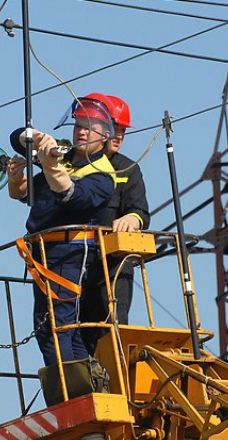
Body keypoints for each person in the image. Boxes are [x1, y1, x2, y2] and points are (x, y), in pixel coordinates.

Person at [6, 93, 118, 366]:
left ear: (105, 137)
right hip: (44, 252)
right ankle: (87, 386)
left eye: (91, 127)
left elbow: (71, 195)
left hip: (69, 253)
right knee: (61, 327)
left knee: (55, 328)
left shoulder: (102, 175)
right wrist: (37, 140)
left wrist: (51, 166)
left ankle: (70, 396)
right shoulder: (64, 158)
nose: (82, 131)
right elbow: (17, 138)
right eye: (79, 124)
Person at [79, 95, 150, 355]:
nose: (119, 136)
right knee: (70, 332)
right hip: (75, 266)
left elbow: (140, 211)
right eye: (114, 129)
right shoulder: (74, 165)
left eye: (123, 131)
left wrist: (133, 218)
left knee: (111, 331)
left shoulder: (128, 169)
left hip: (112, 270)